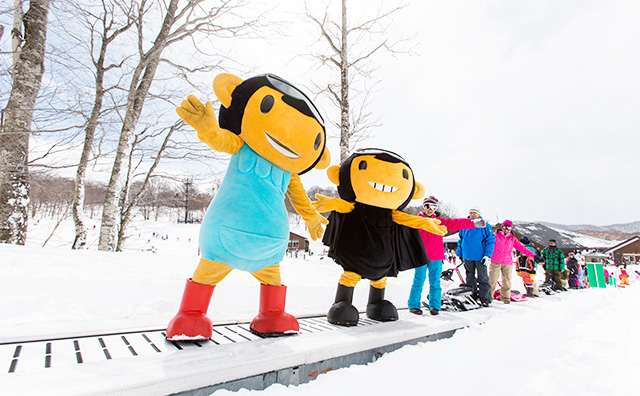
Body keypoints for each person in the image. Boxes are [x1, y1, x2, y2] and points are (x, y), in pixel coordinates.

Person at [408, 196, 485, 315]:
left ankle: (435, 306)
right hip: (420, 256)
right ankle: (413, 305)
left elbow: (456, 223)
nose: (430, 209)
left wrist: (473, 223)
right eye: (427, 206)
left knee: (435, 282)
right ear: (423, 207)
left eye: (433, 207)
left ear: (436, 209)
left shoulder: (439, 222)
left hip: (436, 256)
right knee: (418, 280)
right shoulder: (417, 221)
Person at [456, 206, 495, 307]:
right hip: (467, 256)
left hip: (480, 256)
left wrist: (487, 255)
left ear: (479, 214)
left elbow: (490, 241)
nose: (473, 214)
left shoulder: (485, 225)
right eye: (471, 212)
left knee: (482, 278)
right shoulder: (465, 225)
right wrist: (459, 253)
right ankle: (471, 296)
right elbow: (461, 240)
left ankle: (485, 298)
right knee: (470, 278)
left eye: (475, 212)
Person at [489, 220, 535, 304]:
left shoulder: (512, 239)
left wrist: (533, 255)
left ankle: (505, 298)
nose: (506, 229)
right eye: (504, 227)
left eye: (508, 227)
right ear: (501, 227)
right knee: (492, 280)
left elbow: (522, 248)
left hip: (507, 262)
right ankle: (489, 297)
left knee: (507, 281)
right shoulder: (495, 236)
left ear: (511, 229)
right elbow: (487, 244)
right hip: (495, 260)